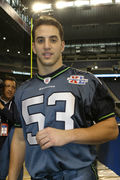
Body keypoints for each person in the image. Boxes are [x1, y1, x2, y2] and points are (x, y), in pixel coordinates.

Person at [8, 16, 119, 180]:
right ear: (33, 47)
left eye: (53, 40)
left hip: (79, 175)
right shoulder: (22, 91)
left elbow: (111, 129)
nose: (47, 46)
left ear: (62, 45)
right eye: (40, 40)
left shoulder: (87, 82)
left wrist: (68, 135)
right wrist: (11, 177)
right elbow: (19, 139)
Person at [0, 76, 23, 180]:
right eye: (8, 86)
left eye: (13, 87)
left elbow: (16, 120)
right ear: (2, 88)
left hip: (12, 142)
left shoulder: (17, 103)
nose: (10, 89)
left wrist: (2, 108)